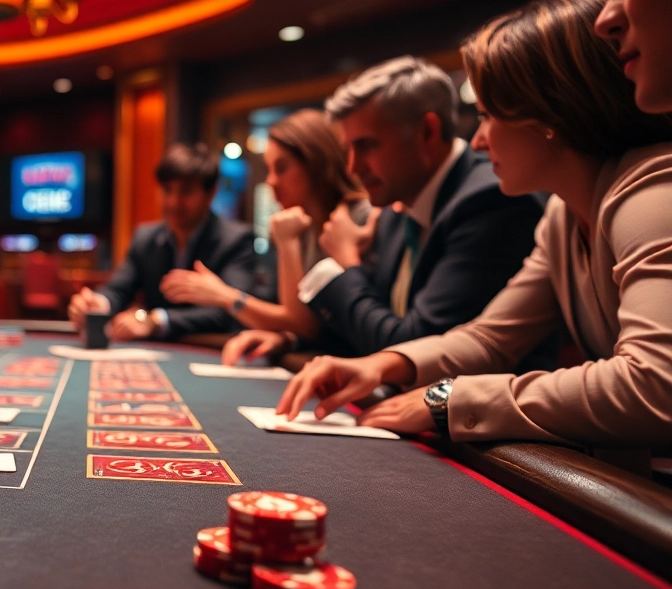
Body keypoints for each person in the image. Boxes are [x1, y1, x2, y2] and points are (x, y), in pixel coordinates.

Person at [276, 0, 672, 448]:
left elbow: (655, 386)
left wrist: (450, 398)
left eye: (487, 116)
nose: (479, 141)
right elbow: (490, 339)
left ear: (548, 114)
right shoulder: (562, 215)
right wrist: (383, 364)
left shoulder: (652, 192)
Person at [222, 56, 545, 364]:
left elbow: (410, 348)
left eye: (366, 146)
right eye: (348, 149)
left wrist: (347, 266)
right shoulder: (394, 207)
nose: (352, 167)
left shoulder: (490, 201)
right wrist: (290, 341)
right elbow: (365, 328)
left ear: (427, 133)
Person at [160, 109, 370, 341]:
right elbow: (306, 325)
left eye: (281, 168)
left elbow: (304, 324)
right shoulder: (304, 226)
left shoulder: (359, 219)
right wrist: (283, 340)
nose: (270, 181)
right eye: (269, 169)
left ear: (315, 163)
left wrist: (225, 296)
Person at [67, 143, 256, 340]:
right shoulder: (145, 237)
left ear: (210, 194)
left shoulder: (237, 240)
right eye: (167, 190)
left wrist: (156, 320)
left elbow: (231, 311)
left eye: (186, 191)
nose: (174, 202)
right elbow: (119, 289)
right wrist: (97, 303)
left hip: (216, 353)